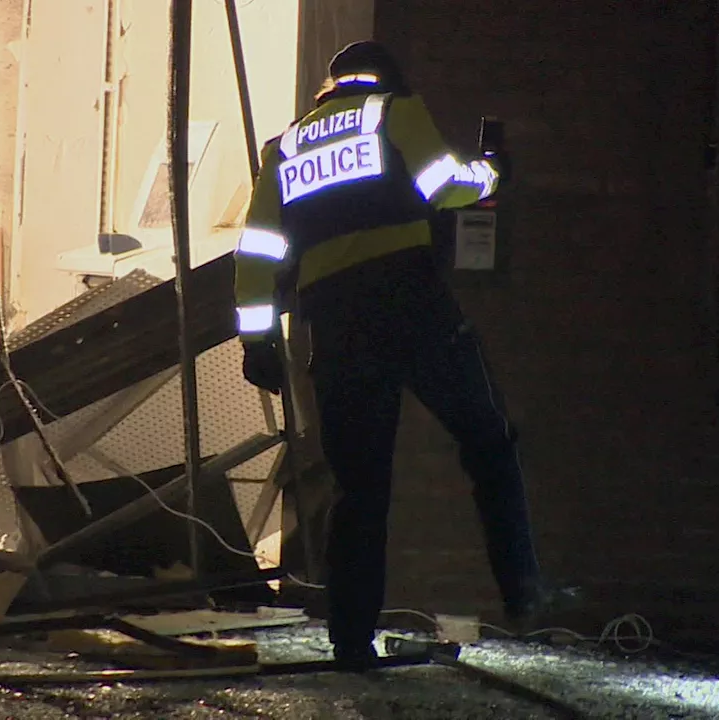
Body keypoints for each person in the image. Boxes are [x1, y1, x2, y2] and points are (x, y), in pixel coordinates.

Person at [233, 40, 580, 671]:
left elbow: (257, 253)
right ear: (384, 78)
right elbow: (445, 185)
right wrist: (491, 171)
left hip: (336, 326)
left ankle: (350, 641)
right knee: (488, 441)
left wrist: (256, 339)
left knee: (359, 488)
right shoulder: (392, 110)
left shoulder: (283, 149)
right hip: (411, 306)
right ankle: (523, 592)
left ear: (328, 87)